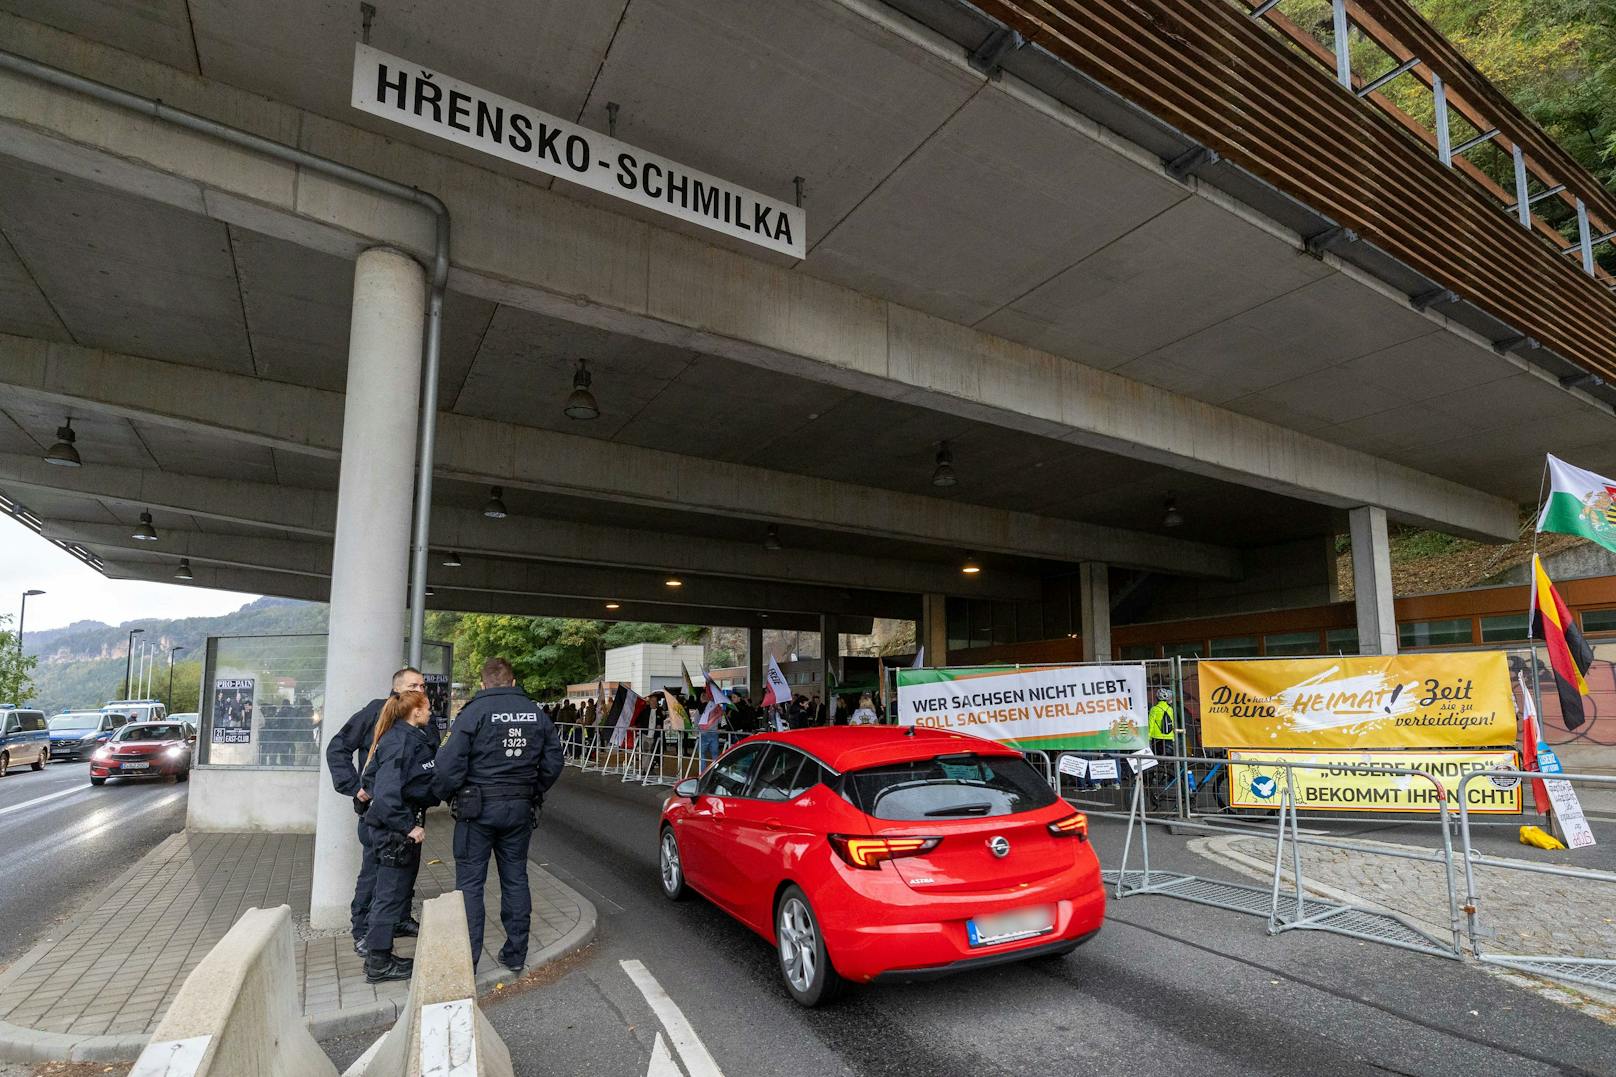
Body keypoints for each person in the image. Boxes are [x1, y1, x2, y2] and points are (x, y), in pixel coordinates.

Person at [432, 657, 564, 973]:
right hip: (519, 809)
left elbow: (447, 766)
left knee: (470, 884)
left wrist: (448, 795)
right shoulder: (536, 714)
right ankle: (516, 953)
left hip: (476, 811)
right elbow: (554, 761)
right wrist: (533, 790)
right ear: (513, 681)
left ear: (483, 683)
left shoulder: (471, 714)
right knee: (516, 877)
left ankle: (468, 961)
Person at [326, 666, 425, 955]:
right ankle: (363, 930)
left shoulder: (420, 717)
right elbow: (338, 747)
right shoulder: (375, 712)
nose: (420, 690)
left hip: (409, 811)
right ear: (397, 688)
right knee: (374, 870)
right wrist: (355, 786)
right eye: (413, 686)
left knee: (406, 867)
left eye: (422, 685)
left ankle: (399, 919)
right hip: (379, 812)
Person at [360, 689, 439, 983]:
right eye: (427, 707)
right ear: (415, 712)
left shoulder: (403, 738)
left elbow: (372, 781)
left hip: (397, 827)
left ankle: (381, 955)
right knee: (388, 895)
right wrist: (408, 826)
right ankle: (378, 962)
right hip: (394, 832)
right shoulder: (399, 742)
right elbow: (386, 794)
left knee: (391, 893)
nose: (431, 712)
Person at [1148, 687, 1176, 758]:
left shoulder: (1154, 709)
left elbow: (1150, 725)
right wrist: (1173, 737)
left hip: (1156, 737)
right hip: (1169, 736)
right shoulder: (1170, 709)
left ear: (1157, 698)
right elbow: (1172, 723)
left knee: (1157, 758)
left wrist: (1149, 738)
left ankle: (1159, 769)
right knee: (1169, 758)